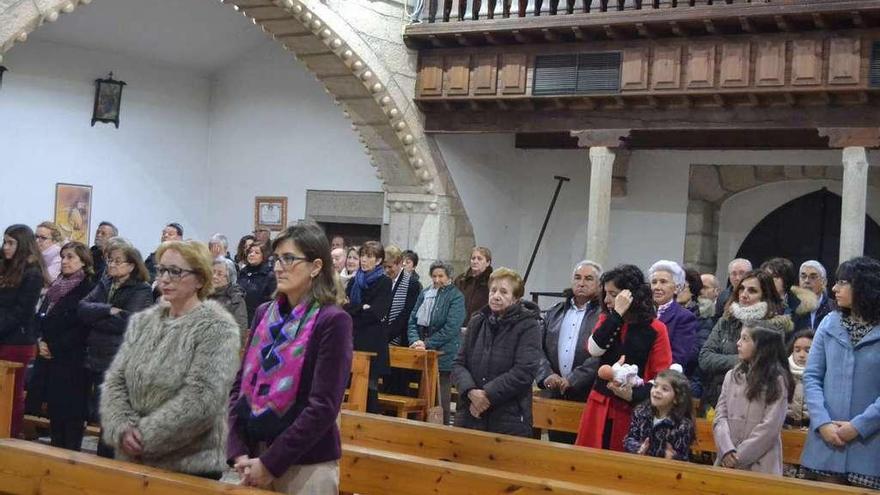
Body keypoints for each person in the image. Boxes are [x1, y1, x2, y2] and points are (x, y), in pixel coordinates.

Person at [228, 224, 352, 494]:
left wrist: (272, 463)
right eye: (276, 259)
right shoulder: (264, 314)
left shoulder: (332, 320)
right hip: (253, 456)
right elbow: (240, 386)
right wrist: (238, 450)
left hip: (306, 465)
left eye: (289, 259)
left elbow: (323, 406)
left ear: (316, 266)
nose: (278, 267)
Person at [100, 240, 240, 478]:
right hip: (132, 457)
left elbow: (203, 398)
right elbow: (115, 380)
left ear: (199, 279)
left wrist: (145, 436)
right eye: (162, 269)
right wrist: (122, 426)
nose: (164, 278)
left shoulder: (218, 328)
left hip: (188, 463)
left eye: (175, 271)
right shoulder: (142, 322)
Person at [801, 257, 880, 490]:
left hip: (869, 444)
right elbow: (812, 377)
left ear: (865, 286)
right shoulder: (829, 322)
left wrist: (858, 426)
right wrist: (823, 423)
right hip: (826, 441)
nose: (834, 288)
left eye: (843, 282)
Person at [575, 264, 673, 451]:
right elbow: (594, 349)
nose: (607, 300)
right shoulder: (608, 319)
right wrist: (617, 315)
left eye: (613, 294)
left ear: (629, 295)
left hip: (632, 409)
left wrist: (633, 394)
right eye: (605, 293)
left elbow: (662, 375)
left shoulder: (656, 328)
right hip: (600, 404)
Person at [79, 242, 153, 457]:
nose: (111, 265)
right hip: (94, 355)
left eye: (117, 261)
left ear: (131, 266)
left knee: (110, 417)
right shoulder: (105, 283)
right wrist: (108, 310)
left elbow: (129, 322)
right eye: (110, 260)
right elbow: (83, 308)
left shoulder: (141, 289)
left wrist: (96, 319)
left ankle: (108, 465)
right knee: (94, 411)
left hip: (117, 360)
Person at [452, 268, 542, 437]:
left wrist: (486, 395)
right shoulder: (477, 321)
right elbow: (458, 364)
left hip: (509, 417)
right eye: (493, 290)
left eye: (503, 292)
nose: (496, 296)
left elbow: (524, 371)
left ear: (516, 299)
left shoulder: (528, 325)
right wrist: (471, 392)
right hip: (470, 414)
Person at [30, 242, 95, 450]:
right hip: (48, 357)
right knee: (55, 416)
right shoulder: (56, 286)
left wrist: (54, 347)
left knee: (71, 418)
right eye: (63, 257)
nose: (65, 261)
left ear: (83, 262)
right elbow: (41, 316)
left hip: (71, 360)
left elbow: (82, 327)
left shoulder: (88, 288)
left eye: (71, 257)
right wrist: (40, 341)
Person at [699, 270, 792, 413]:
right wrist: (742, 360)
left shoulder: (773, 326)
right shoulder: (727, 320)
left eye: (752, 290)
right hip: (716, 397)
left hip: (754, 400)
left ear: (765, 295)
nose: (744, 294)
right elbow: (705, 358)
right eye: (741, 288)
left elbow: (764, 363)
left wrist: (723, 361)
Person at [535, 260, 602, 444]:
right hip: (555, 392)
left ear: (599, 285)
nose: (581, 283)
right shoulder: (555, 312)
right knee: (556, 448)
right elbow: (537, 348)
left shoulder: (604, 315)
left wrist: (574, 379)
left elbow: (601, 356)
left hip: (586, 393)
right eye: (577, 278)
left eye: (589, 279)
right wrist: (546, 375)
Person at [713, 323, 793, 475]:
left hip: (760, 461)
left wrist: (739, 456)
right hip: (727, 456)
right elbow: (720, 415)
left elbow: (770, 427)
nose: (738, 343)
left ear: (761, 346)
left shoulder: (777, 380)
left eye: (745, 339)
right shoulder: (731, 376)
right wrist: (727, 449)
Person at [0, 224, 46, 438]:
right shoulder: (5, 267)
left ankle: (11, 434)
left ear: (23, 245)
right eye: (4, 242)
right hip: (4, 335)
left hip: (17, 341)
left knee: (12, 393)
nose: (6, 247)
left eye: (11, 243)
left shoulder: (33, 273)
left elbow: (21, 311)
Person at [408, 261, 465, 426]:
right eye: (434, 276)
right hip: (422, 350)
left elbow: (451, 327)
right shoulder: (426, 293)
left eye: (441, 276)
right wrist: (415, 340)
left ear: (449, 277)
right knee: (421, 394)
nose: (437, 279)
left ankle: (442, 428)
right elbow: (412, 319)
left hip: (444, 354)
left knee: (441, 398)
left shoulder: (456, 296)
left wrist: (427, 343)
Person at [345, 241, 392, 413]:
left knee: (369, 386)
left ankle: (371, 423)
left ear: (378, 261)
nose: (364, 260)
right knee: (347, 384)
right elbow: (343, 307)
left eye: (369, 256)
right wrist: (361, 308)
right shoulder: (353, 282)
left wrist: (355, 309)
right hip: (353, 339)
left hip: (372, 341)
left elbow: (376, 313)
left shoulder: (384, 283)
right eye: (362, 256)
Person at [624, 369, 695, 461]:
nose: (657, 391)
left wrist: (673, 457)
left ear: (677, 398)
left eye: (664, 389)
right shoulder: (641, 412)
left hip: (666, 472)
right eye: (655, 386)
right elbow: (629, 439)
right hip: (639, 465)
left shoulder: (683, 425)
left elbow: (684, 458)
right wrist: (638, 448)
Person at [649, 260, 699, 367]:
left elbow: (679, 357)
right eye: (654, 282)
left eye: (663, 282)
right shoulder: (643, 313)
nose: (657, 287)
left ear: (677, 288)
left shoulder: (684, 317)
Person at [761, 257, 817, 335]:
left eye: (775, 276)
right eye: (767, 276)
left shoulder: (800, 307)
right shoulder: (756, 303)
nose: (770, 280)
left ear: (786, 279)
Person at [384, 245, 422, 347]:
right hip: (381, 337)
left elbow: (406, 314)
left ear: (400, 263)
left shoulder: (412, 283)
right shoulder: (383, 280)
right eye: (384, 267)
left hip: (400, 339)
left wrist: (386, 336)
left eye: (390, 267)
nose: (387, 270)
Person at [208, 257, 248, 341]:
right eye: (213, 272)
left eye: (219, 274)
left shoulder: (236, 299)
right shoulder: (203, 295)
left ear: (229, 278)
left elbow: (240, 332)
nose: (214, 276)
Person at [239, 243, 277, 326]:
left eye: (257, 253)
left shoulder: (269, 275)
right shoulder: (242, 272)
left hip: (260, 320)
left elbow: (274, 301)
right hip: (242, 318)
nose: (252, 254)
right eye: (250, 252)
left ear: (263, 256)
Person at [455, 246, 493, 325]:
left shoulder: (493, 281)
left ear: (488, 262)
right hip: (459, 326)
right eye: (473, 258)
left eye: (479, 259)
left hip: (481, 327)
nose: (475, 261)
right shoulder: (460, 280)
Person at [786, 329, 813, 428]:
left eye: (808, 351)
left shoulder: (825, 376)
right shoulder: (782, 374)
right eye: (797, 350)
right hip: (786, 427)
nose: (801, 355)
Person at [799, 260, 833, 330]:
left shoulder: (834, 309)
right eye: (803, 277)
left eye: (813, 277)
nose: (807, 281)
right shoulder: (791, 309)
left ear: (824, 282)